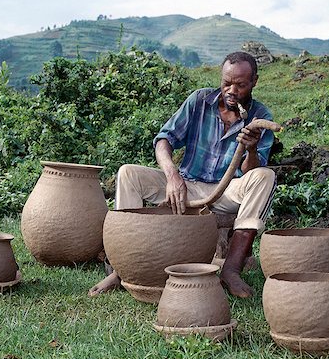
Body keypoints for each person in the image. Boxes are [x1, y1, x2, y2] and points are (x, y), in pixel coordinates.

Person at [89, 51, 276, 298]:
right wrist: (173, 176)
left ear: (254, 82)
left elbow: (250, 171)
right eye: (226, 83)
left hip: (226, 191)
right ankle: (122, 269)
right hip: (185, 184)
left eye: (240, 85)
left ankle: (231, 271)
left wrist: (251, 148)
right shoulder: (199, 100)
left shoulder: (260, 117)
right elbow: (164, 140)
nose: (231, 90)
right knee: (128, 174)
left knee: (265, 176)